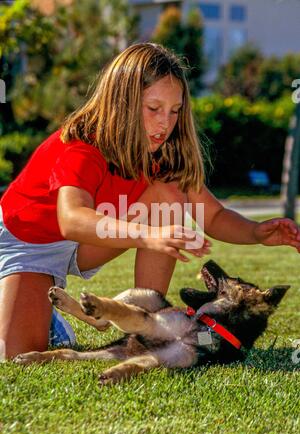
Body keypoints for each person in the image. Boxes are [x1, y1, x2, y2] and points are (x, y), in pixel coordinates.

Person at [0, 43, 299, 359]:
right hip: (28, 242)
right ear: (122, 103)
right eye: (154, 108)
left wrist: (257, 233)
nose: (165, 124)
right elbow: (72, 219)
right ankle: (50, 319)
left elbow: (213, 215)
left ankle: (141, 328)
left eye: (175, 110)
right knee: (18, 356)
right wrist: (148, 234)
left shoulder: (163, 153)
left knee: (169, 194)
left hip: (88, 242)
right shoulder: (81, 147)